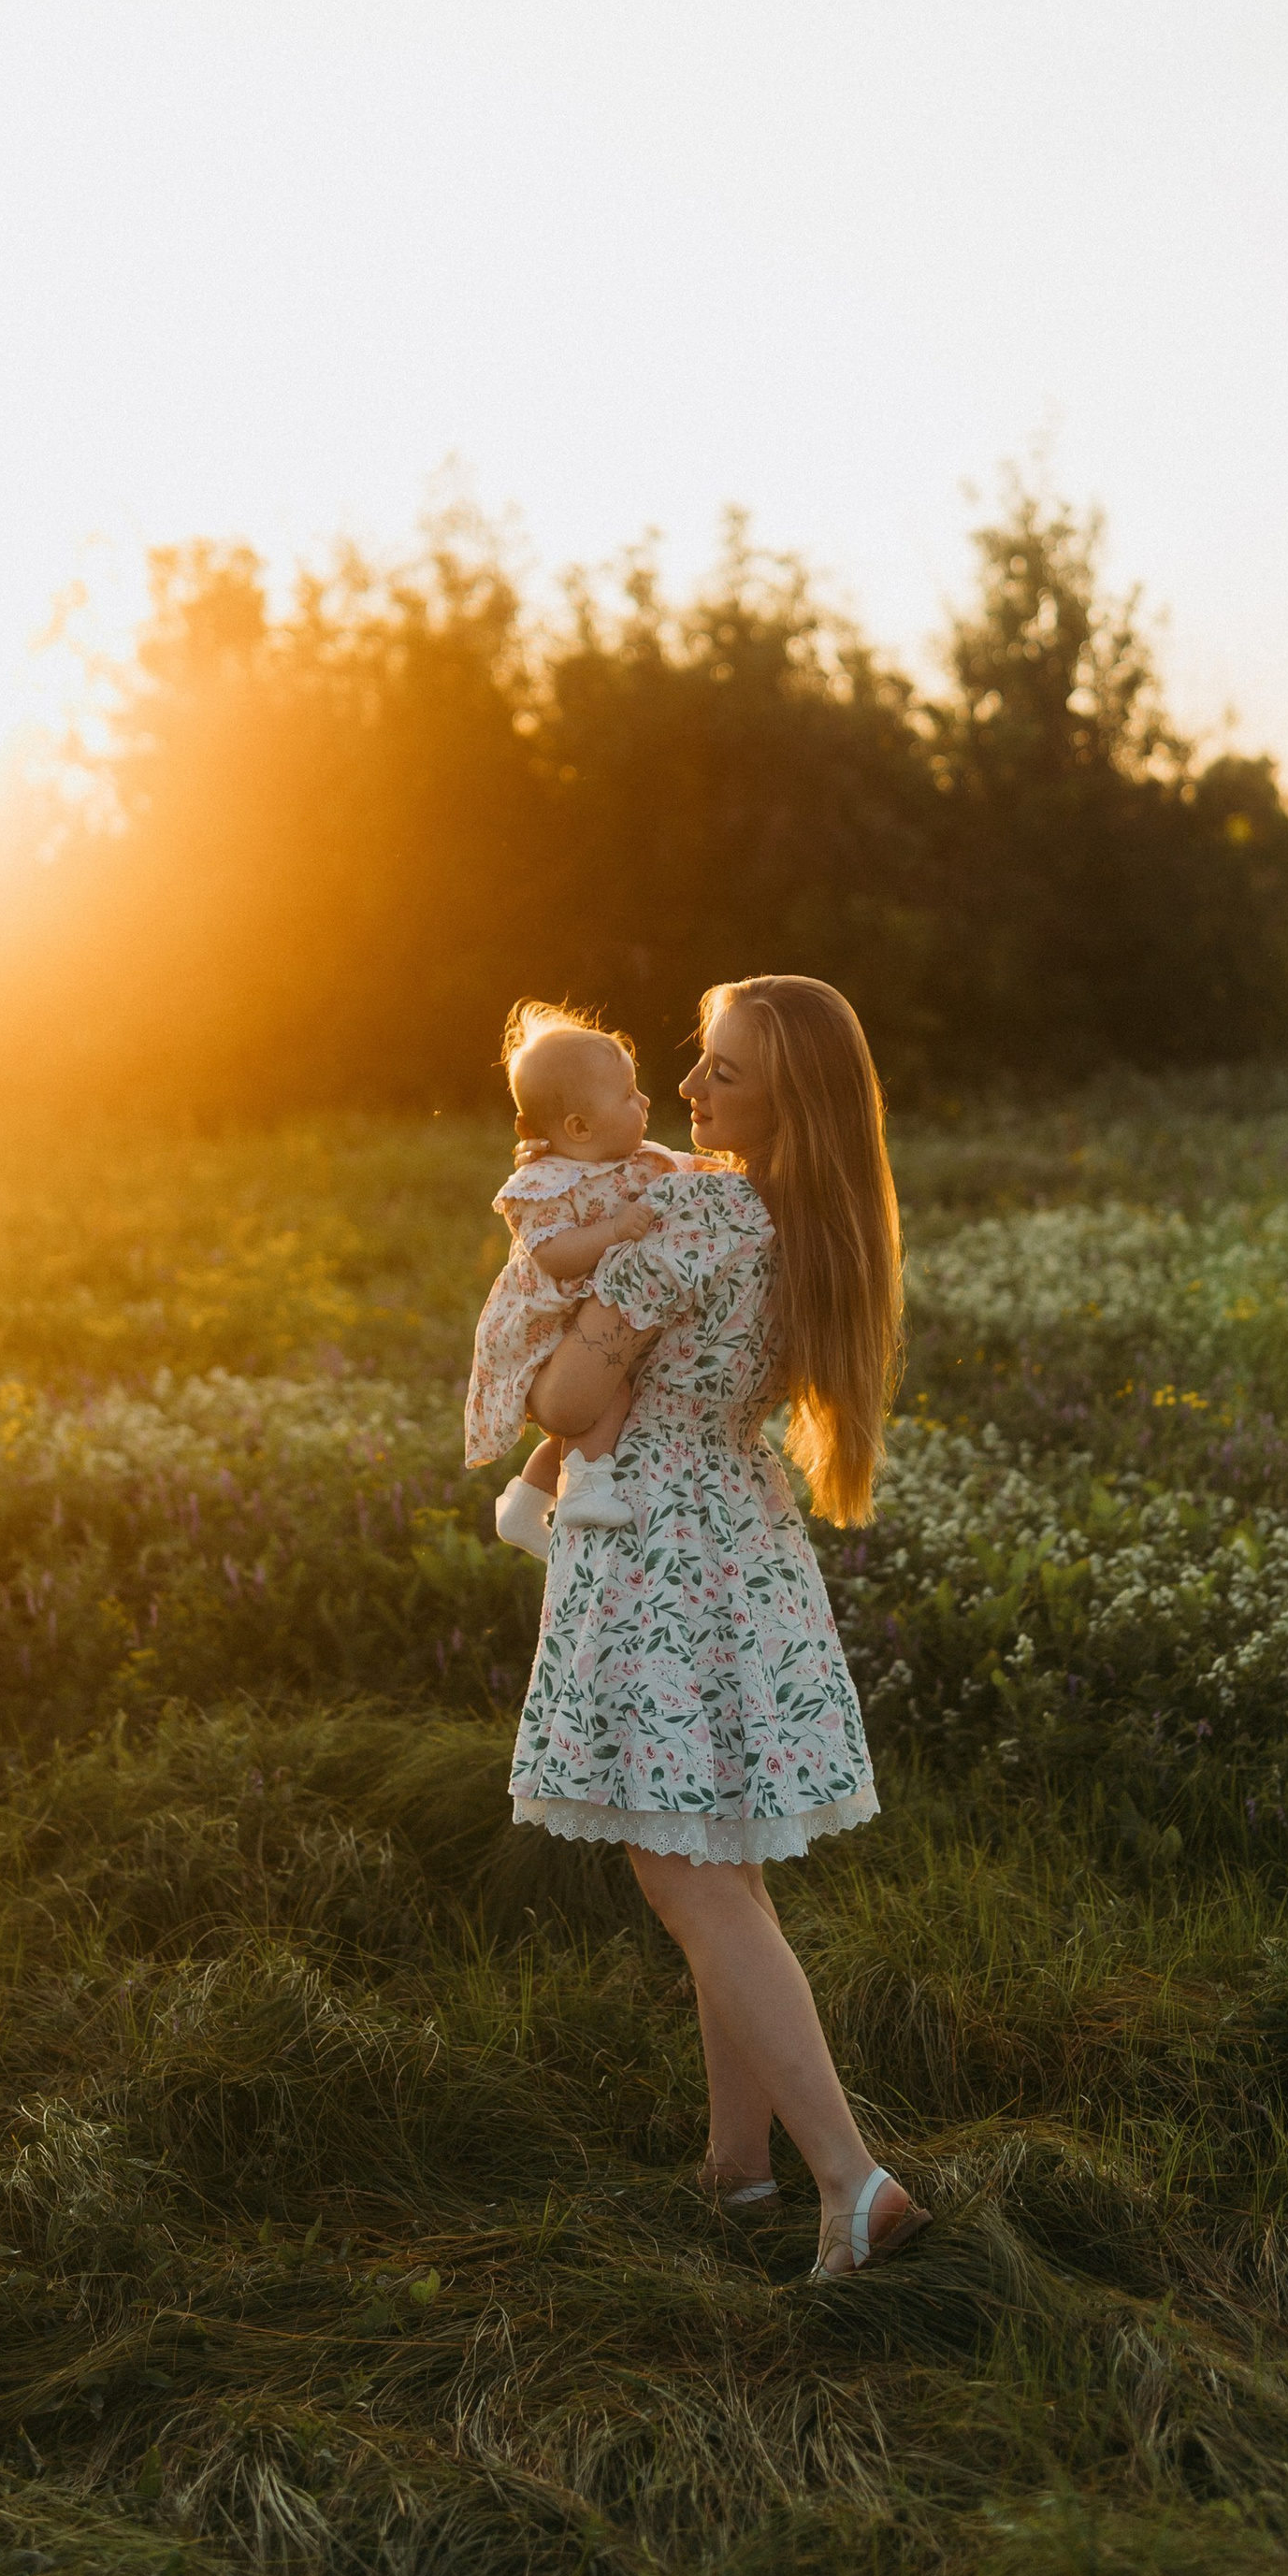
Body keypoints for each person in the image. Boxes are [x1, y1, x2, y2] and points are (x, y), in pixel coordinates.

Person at [508, 971, 929, 2282]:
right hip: (737, 1542)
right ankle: (736, 2169)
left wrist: (544, 1335)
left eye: (723, 1073)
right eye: (696, 1061)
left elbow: (573, 1406)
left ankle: (850, 2185)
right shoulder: (792, 1213)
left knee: (685, 1879)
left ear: (782, 1107)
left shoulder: (695, 1222)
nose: (687, 1089)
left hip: (659, 1560)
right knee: (722, 1867)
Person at [464, 1005, 686, 1552]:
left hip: (590, 1316)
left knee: (599, 1411)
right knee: (602, 1398)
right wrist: (614, 1228)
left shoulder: (637, 1159)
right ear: (579, 1128)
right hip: (551, 1320)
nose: (646, 1101)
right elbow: (556, 1255)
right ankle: (583, 1489)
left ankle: (524, 1505)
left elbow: (693, 1168)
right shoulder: (543, 1183)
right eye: (629, 1094)